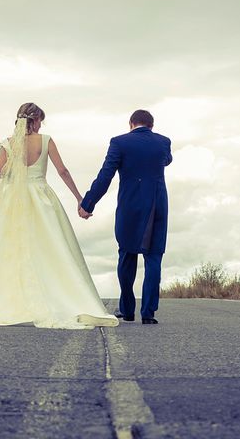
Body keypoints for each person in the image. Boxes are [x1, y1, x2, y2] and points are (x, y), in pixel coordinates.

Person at [0, 102, 118, 329]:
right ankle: (58, 295)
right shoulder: (45, 140)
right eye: (41, 120)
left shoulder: (7, 144)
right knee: (50, 247)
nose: (42, 124)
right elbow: (62, 171)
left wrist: (16, 160)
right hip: (41, 197)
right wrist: (80, 198)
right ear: (35, 120)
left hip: (14, 201)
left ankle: (16, 300)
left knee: (13, 248)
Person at [79, 110, 172, 324]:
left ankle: (127, 310)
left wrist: (88, 203)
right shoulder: (163, 142)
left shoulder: (119, 143)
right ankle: (148, 313)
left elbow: (106, 174)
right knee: (154, 257)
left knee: (127, 255)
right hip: (157, 206)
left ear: (131, 124)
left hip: (130, 205)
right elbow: (167, 160)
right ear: (151, 125)